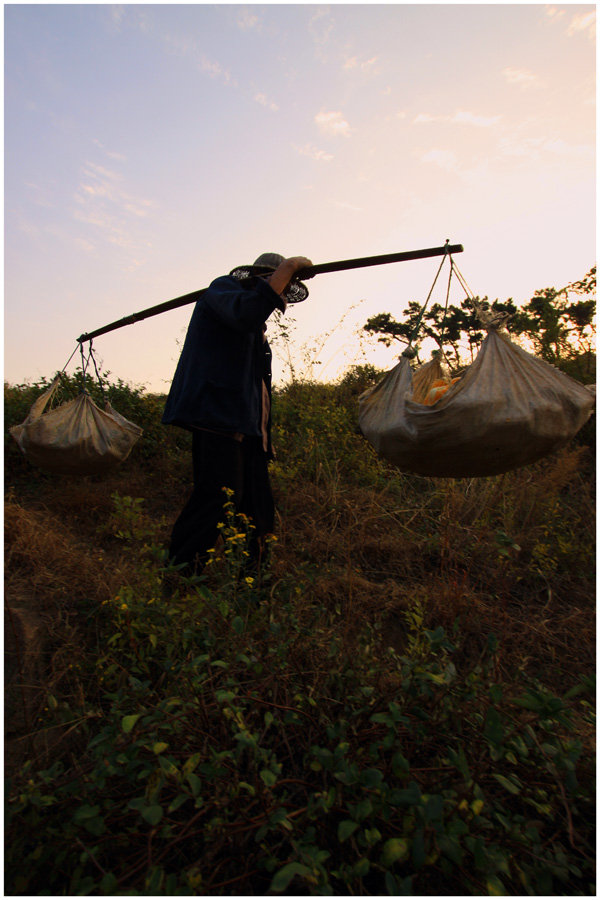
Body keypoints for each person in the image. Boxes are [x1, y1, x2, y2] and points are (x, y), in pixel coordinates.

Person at [162, 252, 312, 577]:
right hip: (217, 417)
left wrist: (264, 440)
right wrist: (289, 267)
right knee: (215, 499)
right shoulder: (223, 290)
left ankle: (252, 582)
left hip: (248, 431)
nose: (279, 297)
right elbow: (247, 312)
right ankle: (180, 577)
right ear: (259, 279)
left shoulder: (256, 334)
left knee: (258, 508)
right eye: (280, 287)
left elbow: (258, 391)